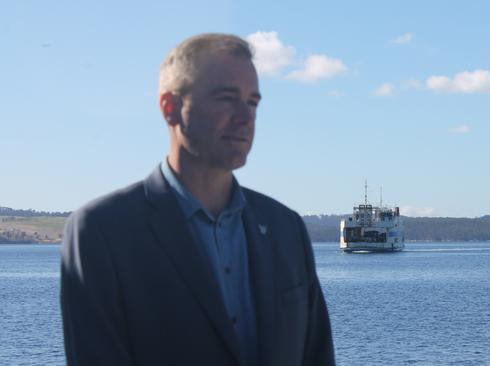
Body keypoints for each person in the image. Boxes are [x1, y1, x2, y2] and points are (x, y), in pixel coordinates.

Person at [60, 33, 335, 366]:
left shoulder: (285, 228)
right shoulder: (102, 232)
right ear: (171, 108)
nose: (245, 116)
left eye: (252, 102)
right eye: (226, 98)